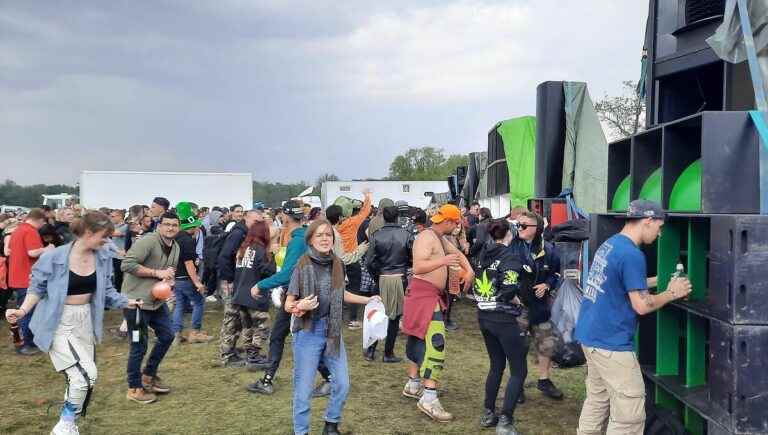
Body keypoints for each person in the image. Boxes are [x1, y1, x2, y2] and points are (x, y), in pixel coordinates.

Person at [5, 211, 142, 435]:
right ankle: (64, 426)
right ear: (88, 233)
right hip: (58, 321)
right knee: (86, 376)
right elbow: (37, 288)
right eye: (104, 236)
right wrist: (21, 311)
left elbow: (107, 291)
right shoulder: (54, 257)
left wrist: (127, 301)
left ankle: (69, 423)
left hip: (85, 321)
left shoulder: (102, 256)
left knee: (79, 379)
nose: (107, 241)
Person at [575, 200, 692, 435]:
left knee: (597, 402)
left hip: (590, 337)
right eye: (659, 227)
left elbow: (622, 283)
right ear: (647, 221)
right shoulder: (632, 254)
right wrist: (672, 293)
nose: (659, 235)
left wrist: (659, 280)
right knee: (629, 416)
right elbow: (642, 305)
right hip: (612, 345)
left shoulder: (611, 245)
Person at [285, 219, 380, 435]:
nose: (325, 238)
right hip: (308, 332)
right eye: (320, 235)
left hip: (332, 330)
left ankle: (331, 423)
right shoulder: (302, 265)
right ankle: (301, 431)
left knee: (343, 384)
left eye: (328, 234)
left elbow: (340, 294)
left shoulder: (337, 263)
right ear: (310, 239)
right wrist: (301, 305)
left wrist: (369, 300)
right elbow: (288, 303)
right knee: (303, 389)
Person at [247, 200, 334, 395]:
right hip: (309, 293)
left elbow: (288, 273)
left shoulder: (298, 240)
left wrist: (260, 284)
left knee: (293, 339)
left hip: (298, 296)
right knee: (290, 337)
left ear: (285, 216)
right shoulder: (307, 236)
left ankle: (329, 379)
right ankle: (268, 379)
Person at [401, 204, 473, 422]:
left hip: (425, 295)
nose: (458, 227)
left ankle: (413, 384)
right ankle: (429, 397)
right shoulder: (426, 237)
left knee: (416, 339)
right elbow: (419, 267)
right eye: (456, 223)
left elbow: (458, 253)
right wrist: (444, 261)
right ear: (449, 222)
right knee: (437, 342)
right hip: (424, 295)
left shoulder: (438, 237)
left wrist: (468, 270)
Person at [475, 219, 531, 435]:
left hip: (484, 316)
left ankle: (489, 412)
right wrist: (517, 301)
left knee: (496, 365)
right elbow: (509, 289)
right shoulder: (510, 256)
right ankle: (505, 421)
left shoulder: (484, 254)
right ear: (509, 233)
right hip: (504, 318)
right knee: (518, 370)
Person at [121, 211, 180, 404]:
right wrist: (157, 272)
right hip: (136, 302)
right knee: (139, 345)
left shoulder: (176, 246)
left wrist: (169, 281)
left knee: (168, 335)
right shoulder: (148, 242)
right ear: (159, 226)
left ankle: (148, 375)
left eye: (174, 225)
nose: (171, 228)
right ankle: (134, 387)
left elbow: (169, 272)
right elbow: (127, 264)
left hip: (156, 302)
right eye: (167, 224)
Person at [509, 211, 564, 402]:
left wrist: (547, 285)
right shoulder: (511, 247)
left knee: (547, 344)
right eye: (518, 225)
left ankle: (544, 380)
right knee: (518, 347)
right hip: (518, 307)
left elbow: (556, 273)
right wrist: (512, 294)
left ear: (537, 229)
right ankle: (517, 385)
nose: (519, 228)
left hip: (540, 307)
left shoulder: (549, 249)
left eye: (524, 225)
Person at [365, 205, 412, 362]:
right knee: (394, 317)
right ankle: (388, 353)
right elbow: (412, 258)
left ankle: (371, 350)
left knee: (378, 313)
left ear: (383, 217)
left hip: (382, 277)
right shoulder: (406, 234)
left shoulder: (376, 235)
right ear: (397, 217)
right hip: (399, 278)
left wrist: (377, 276)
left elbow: (369, 261)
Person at [218, 209, 262, 367]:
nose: (258, 225)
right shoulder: (238, 233)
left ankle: (231, 350)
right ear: (246, 219)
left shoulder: (247, 232)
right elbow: (224, 256)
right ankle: (226, 355)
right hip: (231, 282)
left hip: (238, 281)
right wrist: (229, 280)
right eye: (256, 222)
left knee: (237, 317)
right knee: (231, 317)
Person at [7, 208, 55, 355]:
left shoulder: (17, 230)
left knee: (23, 310)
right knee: (27, 313)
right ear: (40, 220)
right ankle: (26, 344)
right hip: (26, 277)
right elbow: (32, 252)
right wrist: (48, 249)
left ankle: (23, 342)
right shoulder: (30, 231)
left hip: (16, 275)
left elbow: (9, 250)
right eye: (43, 222)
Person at [232, 219, 275, 371]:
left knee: (247, 326)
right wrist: (273, 256)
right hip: (254, 295)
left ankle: (250, 355)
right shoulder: (261, 250)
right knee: (263, 325)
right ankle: (254, 356)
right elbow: (268, 272)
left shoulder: (243, 249)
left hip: (239, 295)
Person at [172, 202, 214, 345]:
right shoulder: (187, 241)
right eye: (196, 226)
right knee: (199, 302)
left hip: (176, 277)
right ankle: (195, 332)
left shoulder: (175, 237)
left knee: (179, 304)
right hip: (186, 278)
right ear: (191, 226)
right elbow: (189, 263)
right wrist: (197, 282)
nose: (197, 228)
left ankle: (176, 334)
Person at [334, 190, 372, 329]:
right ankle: (353, 320)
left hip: (337, 261)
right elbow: (366, 211)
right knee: (355, 288)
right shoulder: (352, 222)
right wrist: (368, 196)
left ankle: (335, 318)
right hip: (352, 258)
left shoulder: (334, 226)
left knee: (338, 289)